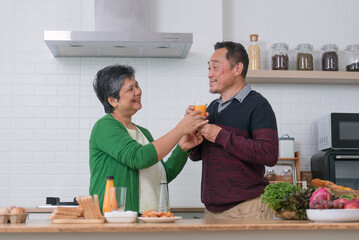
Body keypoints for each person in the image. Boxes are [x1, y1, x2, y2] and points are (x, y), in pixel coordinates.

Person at [89, 64, 208, 213]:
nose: (138, 92)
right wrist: (181, 129)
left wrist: (183, 148)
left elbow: (162, 176)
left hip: (149, 219)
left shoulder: (143, 133)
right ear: (113, 100)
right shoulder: (105, 126)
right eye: (130, 89)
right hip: (115, 222)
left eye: (137, 86)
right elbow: (139, 158)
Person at [187, 41, 279, 219]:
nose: (209, 74)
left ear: (237, 69)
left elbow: (269, 154)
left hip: (248, 208)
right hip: (212, 211)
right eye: (209, 68)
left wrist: (220, 135)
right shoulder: (212, 107)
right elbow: (198, 155)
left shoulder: (258, 105)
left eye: (215, 67)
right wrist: (192, 137)